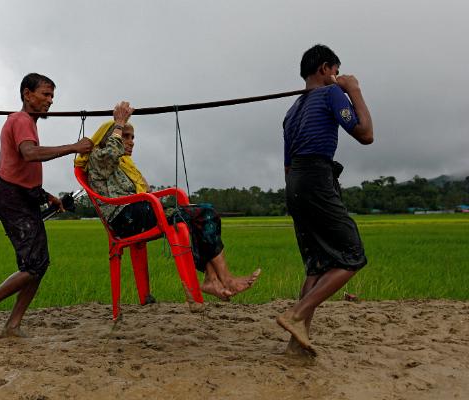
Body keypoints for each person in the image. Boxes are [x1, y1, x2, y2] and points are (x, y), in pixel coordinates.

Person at [75, 109, 261, 301]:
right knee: (204, 213)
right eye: (126, 136)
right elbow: (111, 156)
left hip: (139, 211)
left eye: (133, 137)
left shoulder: (124, 165)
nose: (131, 141)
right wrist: (119, 122)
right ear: (109, 137)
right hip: (125, 219)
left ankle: (212, 278)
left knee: (204, 215)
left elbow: (143, 189)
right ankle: (226, 280)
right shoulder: (97, 157)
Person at [0, 73, 94, 338]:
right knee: (33, 265)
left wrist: (48, 197)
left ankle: (13, 325)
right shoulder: (21, 120)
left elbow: (23, 171)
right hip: (13, 199)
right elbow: (30, 154)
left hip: (24, 195)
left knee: (39, 264)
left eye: (52, 96)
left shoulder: (27, 122)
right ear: (27, 94)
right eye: (45, 95)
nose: (50, 101)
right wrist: (74, 147)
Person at [277, 44, 374, 355]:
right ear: (323, 69)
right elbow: (365, 134)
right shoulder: (332, 94)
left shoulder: (291, 112)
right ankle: (296, 314)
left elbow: (288, 165)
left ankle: (297, 344)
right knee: (352, 255)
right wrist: (354, 90)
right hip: (316, 178)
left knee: (317, 266)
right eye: (335, 70)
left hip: (294, 185)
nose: (338, 76)